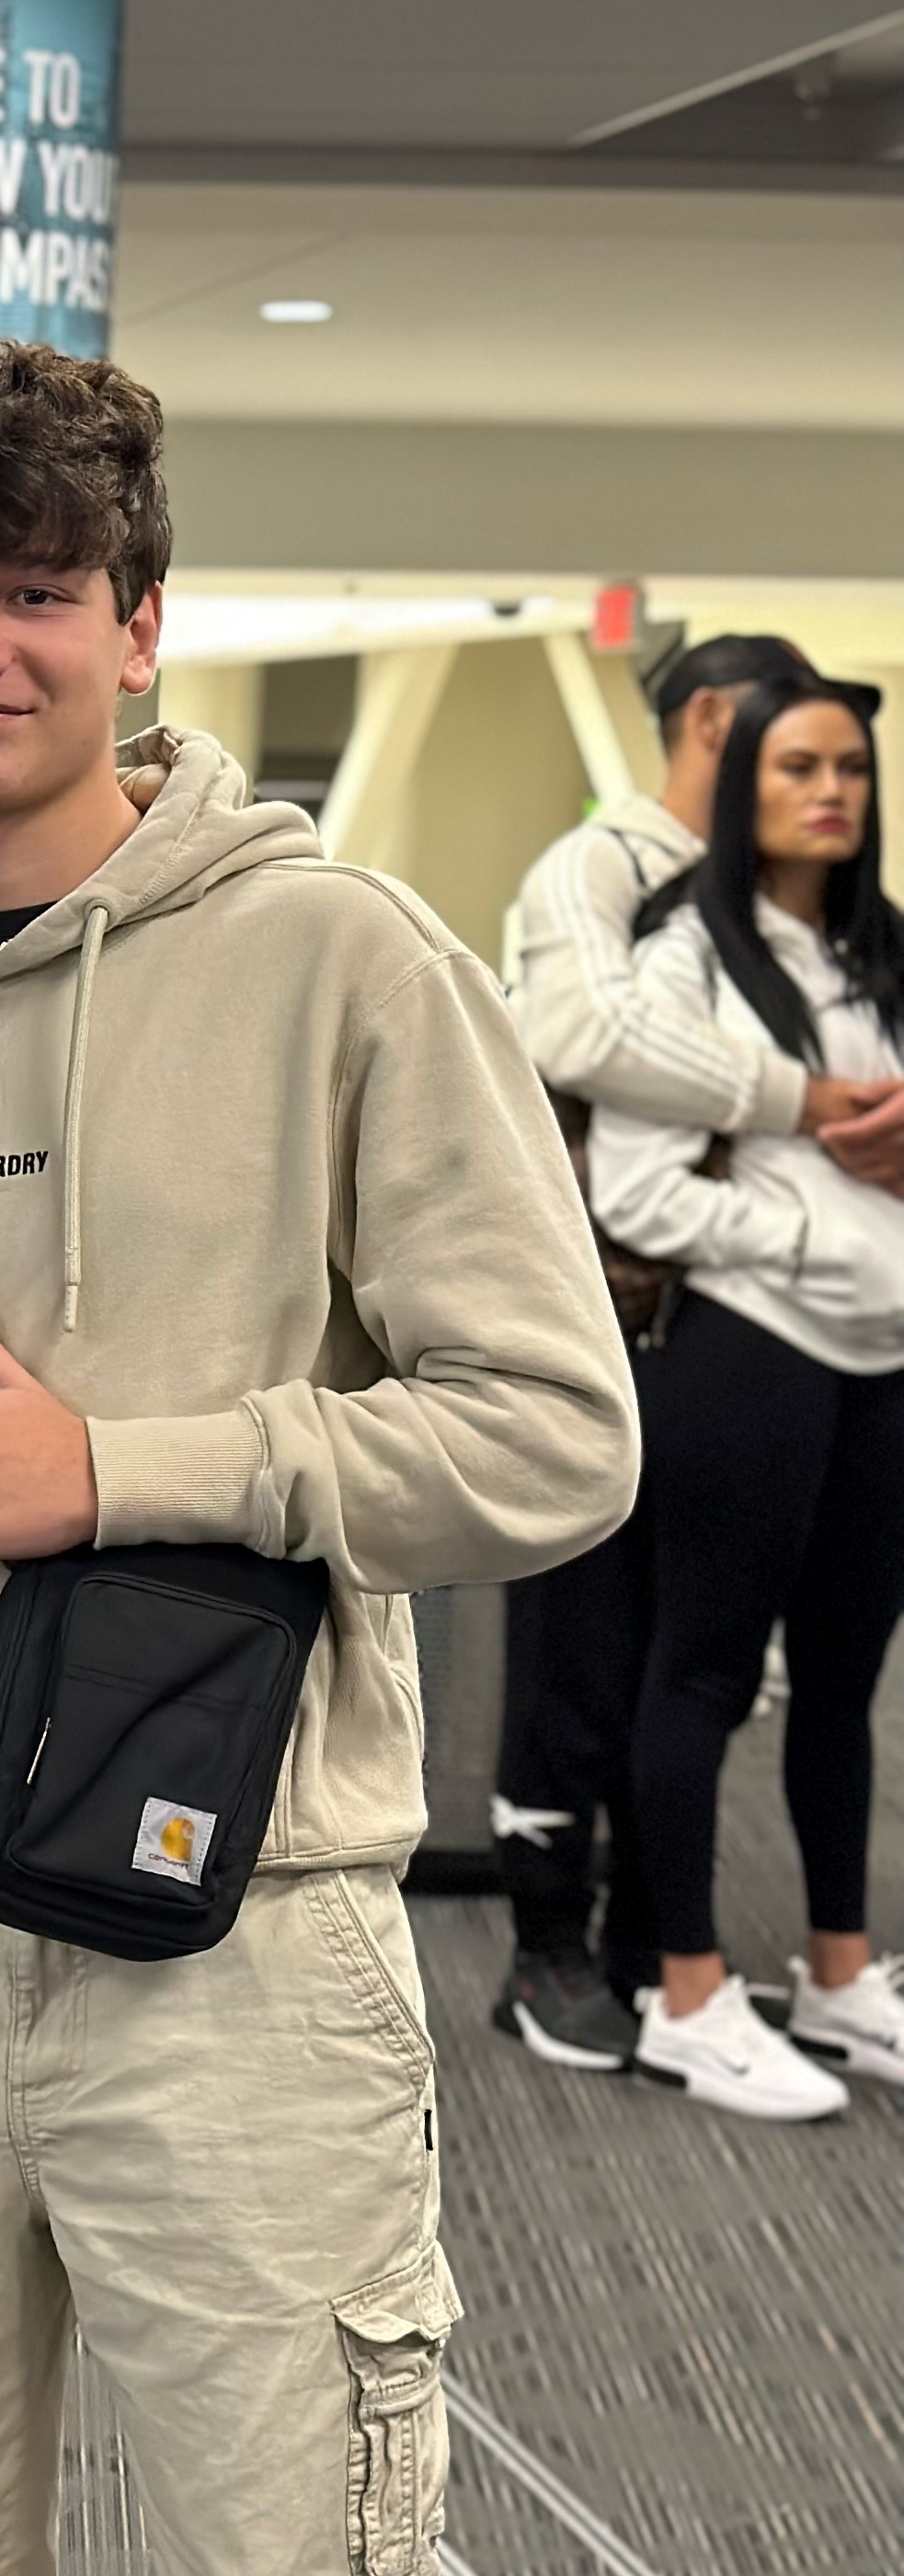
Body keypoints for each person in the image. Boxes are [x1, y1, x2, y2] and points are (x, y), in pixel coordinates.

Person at [0, 341, 635, 2576]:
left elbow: (552, 1441)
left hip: (235, 1954)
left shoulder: (343, 968)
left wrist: (140, 1471)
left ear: (141, 625)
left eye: (34, 589)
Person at [487, 632, 904, 2071]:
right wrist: (814, 1104)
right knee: (591, 1658)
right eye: (795, 750)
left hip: (730, 1328)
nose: (828, 782)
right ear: (724, 721)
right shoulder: (610, 876)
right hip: (596, 1308)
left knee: (703, 1653)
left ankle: (657, 1949)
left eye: (848, 761)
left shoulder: (847, 935)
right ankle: (558, 1955)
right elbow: (583, 1032)